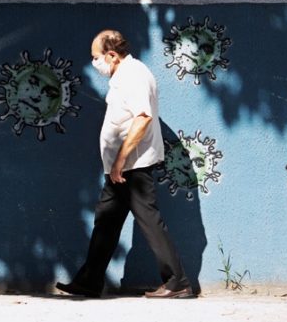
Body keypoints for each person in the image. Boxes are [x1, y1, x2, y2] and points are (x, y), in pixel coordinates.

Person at [56, 30, 193, 299]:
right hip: (121, 168)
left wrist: (120, 160)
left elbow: (142, 117)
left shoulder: (133, 75)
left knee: (148, 220)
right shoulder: (124, 75)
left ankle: (177, 282)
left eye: (96, 57)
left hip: (133, 166)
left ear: (111, 55)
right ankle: (89, 281)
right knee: (106, 221)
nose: (94, 63)